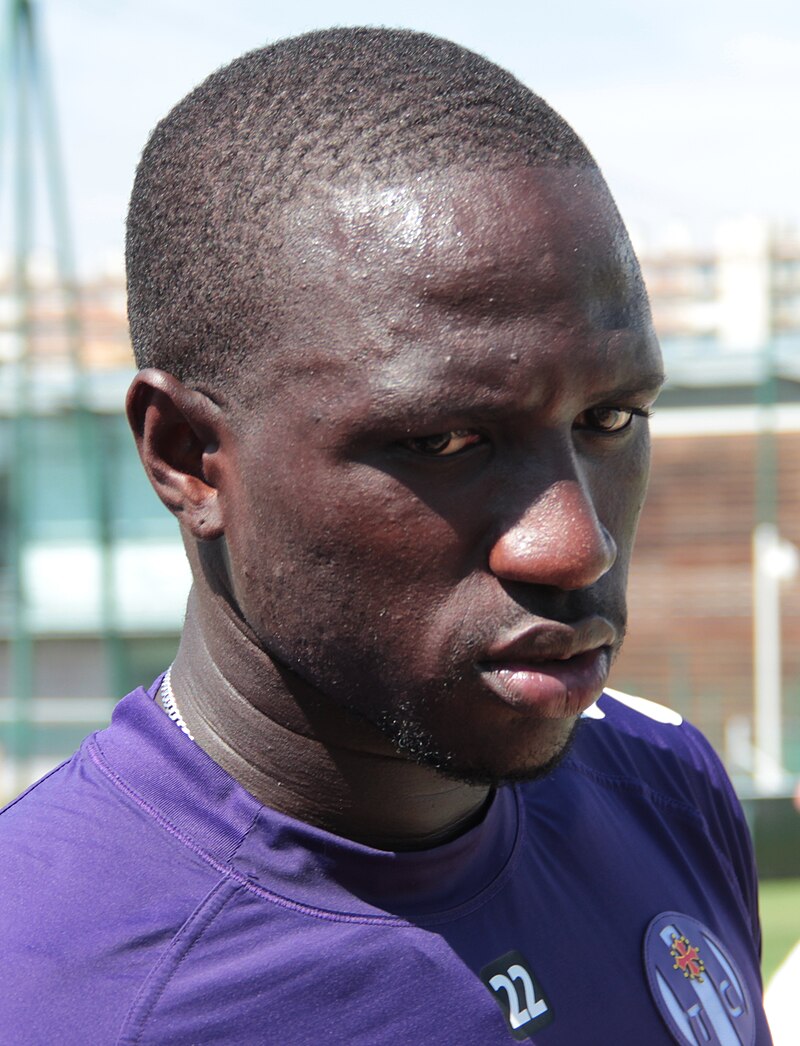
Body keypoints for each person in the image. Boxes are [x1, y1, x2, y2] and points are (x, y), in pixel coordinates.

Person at [0, 28, 771, 1045]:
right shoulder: (62, 986)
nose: (574, 544)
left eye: (608, 419)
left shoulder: (657, 782)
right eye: (444, 438)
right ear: (188, 457)